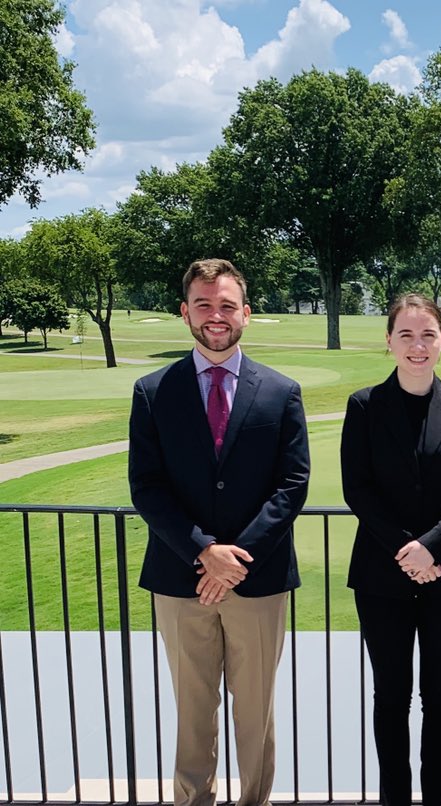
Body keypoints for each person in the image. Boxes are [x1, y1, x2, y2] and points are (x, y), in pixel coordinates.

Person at [128, 259, 310, 806]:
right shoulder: (152, 391)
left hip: (259, 581)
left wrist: (238, 559)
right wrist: (205, 551)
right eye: (204, 304)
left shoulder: (281, 391)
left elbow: (292, 484)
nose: (216, 315)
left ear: (246, 314)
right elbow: (147, 487)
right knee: (192, 710)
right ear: (185, 311)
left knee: (256, 711)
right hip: (180, 580)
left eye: (227, 305)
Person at [341, 293, 441, 806]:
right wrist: (407, 549)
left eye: (428, 334)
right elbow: (357, 488)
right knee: (391, 696)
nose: (417, 345)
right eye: (406, 334)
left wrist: (433, 547)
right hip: (382, 575)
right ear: (388, 341)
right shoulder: (364, 406)